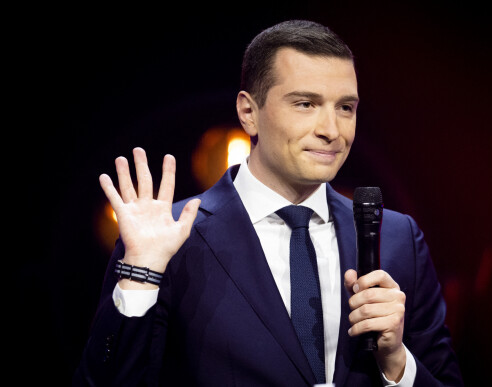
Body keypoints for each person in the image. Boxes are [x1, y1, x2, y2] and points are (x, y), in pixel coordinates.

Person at [74, 20, 463, 386]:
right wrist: (140, 279)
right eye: (305, 104)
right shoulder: (171, 237)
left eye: (345, 107)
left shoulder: (398, 238)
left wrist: (396, 362)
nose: (332, 130)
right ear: (248, 112)